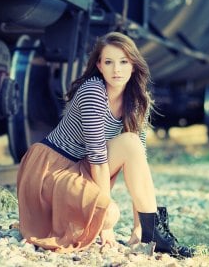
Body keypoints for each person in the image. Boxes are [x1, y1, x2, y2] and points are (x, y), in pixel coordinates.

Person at [16, 31, 194, 257]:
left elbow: (138, 162)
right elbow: (98, 159)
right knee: (109, 214)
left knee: (132, 143)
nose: (116, 69)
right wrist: (105, 226)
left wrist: (138, 227)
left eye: (123, 62)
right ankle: (118, 223)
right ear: (99, 66)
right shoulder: (93, 92)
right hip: (52, 170)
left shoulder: (139, 100)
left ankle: (153, 234)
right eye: (109, 62)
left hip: (81, 169)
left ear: (133, 65)